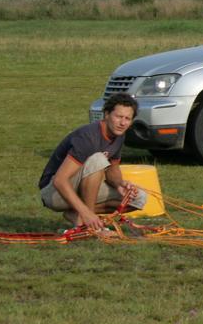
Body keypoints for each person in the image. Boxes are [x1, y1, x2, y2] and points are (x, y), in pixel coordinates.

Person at [38, 92, 143, 232]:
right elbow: (60, 180)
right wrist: (87, 212)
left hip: (80, 187)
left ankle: (77, 215)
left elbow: (113, 169)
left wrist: (119, 184)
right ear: (106, 114)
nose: (123, 123)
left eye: (127, 118)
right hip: (54, 192)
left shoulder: (119, 136)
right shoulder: (88, 137)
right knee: (98, 159)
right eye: (118, 116)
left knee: (138, 198)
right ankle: (90, 224)